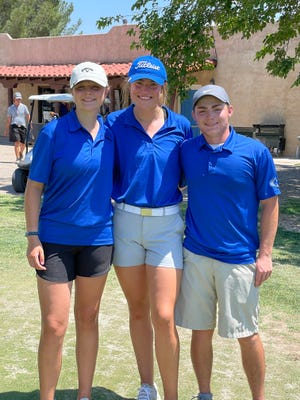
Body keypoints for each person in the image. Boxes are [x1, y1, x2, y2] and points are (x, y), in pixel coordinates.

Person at [175, 85, 280, 400]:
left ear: (230, 111)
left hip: (239, 260)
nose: (210, 116)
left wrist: (265, 255)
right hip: (196, 255)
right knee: (200, 331)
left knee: (247, 335)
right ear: (194, 116)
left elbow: (271, 203)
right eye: (202, 110)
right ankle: (204, 394)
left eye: (216, 109)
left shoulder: (254, 152)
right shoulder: (187, 151)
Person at [105, 55, 193, 400]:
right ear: (130, 86)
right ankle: (147, 386)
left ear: (162, 88)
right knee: (138, 309)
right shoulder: (113, 123)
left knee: (163, 314)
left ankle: (171, 394)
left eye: (152, 84)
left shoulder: (182, 126)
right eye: (138, 83)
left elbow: (188, 175)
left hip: (166, 226)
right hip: (125, 222)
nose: (144, 90)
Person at [24, 61, 114, 400]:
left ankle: (84, 395)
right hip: (55, 241)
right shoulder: (54, 132)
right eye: (82, 88)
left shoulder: (113, 133)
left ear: (105, 93)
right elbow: (34, 188)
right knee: (54, 324)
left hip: (99, 240)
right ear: (73, 93)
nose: (88, 93)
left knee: (88, 319)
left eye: (95, 88)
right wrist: (32, 236)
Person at [4, 91, 30, 161]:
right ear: (14, 99)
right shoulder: (10, 108)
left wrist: (30, 123)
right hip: (14, 126)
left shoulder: (24, 107)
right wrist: (6, 130)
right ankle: (17, 158)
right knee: (17, 142)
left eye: (20, 99)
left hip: (23, 126)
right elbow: (9, 120)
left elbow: (27, 115)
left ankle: (21, 153)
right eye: (17, 99)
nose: (19, 100)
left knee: (23, 143)